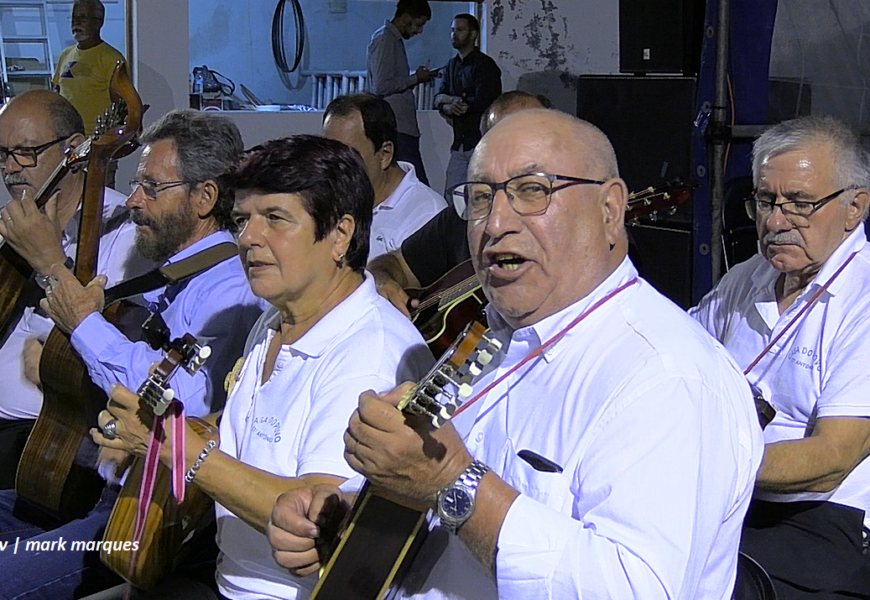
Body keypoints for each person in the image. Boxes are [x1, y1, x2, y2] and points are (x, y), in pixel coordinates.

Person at [266, 110, 764, 599]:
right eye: (480, 198)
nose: (496, 222)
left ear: (610, 210)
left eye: (533, 191)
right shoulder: (491, 339)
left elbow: (635, 588)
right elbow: (446, 522)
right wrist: (351, 523)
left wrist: (450, 482)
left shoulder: (666, 376)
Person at [90, 135, 433, 600]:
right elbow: (249, 433)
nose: (248, 237)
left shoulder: (371, 353)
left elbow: (316, 518)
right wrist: (156, 432)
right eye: (242, 220)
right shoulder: (275, 319)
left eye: (274, 218)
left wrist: (175, 452)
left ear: (340, 234)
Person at [0, 109, 264, 599]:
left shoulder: (228, 290)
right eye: (137, 184)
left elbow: (183, 399)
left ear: (205, 197)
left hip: (140, 519)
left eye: (152, 187)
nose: (135, 201)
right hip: (91, 489)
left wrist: (84, 324)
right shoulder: (168, 280)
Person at [690, 116, 870, 599]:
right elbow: (673, 357)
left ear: (855, 207)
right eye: (765, 201)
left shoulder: (864, 299)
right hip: (727, 497)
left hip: (821, 522)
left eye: (800, 203)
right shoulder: (748, 276)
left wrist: (705, 462)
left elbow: (832, 458)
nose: (774, 221)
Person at [0, 89, 150, 489]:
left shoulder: (126, 231)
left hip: (52, 448)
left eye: (26, 152)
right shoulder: (9, 226)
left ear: (73, 151)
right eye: (2, 154)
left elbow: (112, 346)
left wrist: (48, 260)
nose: (11, 168)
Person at [369, 90, 547, 315]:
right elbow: (395, 263)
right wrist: (382, 280)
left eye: (529, 139)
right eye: (500, 142)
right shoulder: (461, 217)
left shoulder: (559, 221)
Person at [322, 93, 446, 260]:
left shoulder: (427, 215)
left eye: (347, 156)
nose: (334, 167)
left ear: (385, 154)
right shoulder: (325, 198)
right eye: (328, 153)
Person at [367, 0, 436, 186]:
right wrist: (415, 79)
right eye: (418, 24)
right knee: (417, 186)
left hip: (403, 129)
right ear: (406, 18)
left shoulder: (392, 40)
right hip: (397, 129)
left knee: (414, 185)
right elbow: (381, 86)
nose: (419, 31)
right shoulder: (384, 40)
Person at [434, 13, 501, 195]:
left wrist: (456, 103)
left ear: (473, 35)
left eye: (460, 30)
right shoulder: (451, 65)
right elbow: (438, 98)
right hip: (459, 144)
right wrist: (449, 104)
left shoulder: (485, 65)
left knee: (479, 195)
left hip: (479, 142)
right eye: (452, 30)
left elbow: (485, 100)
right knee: (451, 194)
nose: (454, 34)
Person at [52, 0, 126, 137]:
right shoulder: (65, 55)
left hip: (95, 140)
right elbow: (56, 93)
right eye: (74, 17)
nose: (76, 22)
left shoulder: (112, 58)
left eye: (83, 18)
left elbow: (120, 107)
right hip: (65, 139)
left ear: (98, 22)